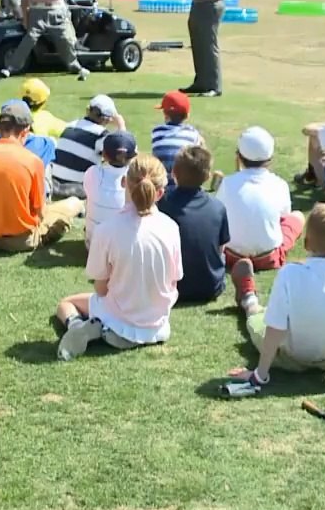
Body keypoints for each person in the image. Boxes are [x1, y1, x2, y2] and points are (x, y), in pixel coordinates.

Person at [228, 204, 325, 392]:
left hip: (290, 358)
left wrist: (259, 375)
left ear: (306, 243)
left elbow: (275, 328)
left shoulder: (289, 274)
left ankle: (249, 299)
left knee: (256, 320)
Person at [55, 155, 180, 360]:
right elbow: (174, 281)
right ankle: (105, 329)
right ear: (160, 192)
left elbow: (101, 289)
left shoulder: (107, 230)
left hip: (119, 320)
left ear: (124, 182)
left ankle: (81, 326)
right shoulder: (171, 227)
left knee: (66, 304)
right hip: (157, 324)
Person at [0, 102, 82, 252]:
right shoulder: (33, 161)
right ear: (26, 131)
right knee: (72, 205)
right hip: (22, 240)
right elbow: (40, 211)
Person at [217, 127, 304, 300]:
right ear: (270, 159)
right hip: (268, 256)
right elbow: (284, 216)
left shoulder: (228, 183)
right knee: (298, 217)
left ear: (239, 156)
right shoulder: (279, 184)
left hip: (232, 254)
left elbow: (221, 211)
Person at [157, 146, 229, 304]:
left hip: (171, 286)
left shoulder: (162, 204)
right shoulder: (217, 207)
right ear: (208, 175)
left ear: (173, 172)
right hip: (210, 287)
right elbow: (220, 249)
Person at [51, 94, 123, 198]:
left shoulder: (70, 126)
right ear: (107, 119)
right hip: (77, 189)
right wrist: (121, 125)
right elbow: (122, 154)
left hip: (55, 185)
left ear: (88, 110)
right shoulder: (101, 135)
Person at [82, 131, 135, 248]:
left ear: (104, 154)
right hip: (122, 250)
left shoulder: (93, 172)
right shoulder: (137, 179)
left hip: (92, 246)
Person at [151, 90, 205, 183]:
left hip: (162, 183)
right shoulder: (192, 132)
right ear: (187, 115)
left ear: (165, 114)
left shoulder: (157, 131)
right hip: (186, 182)